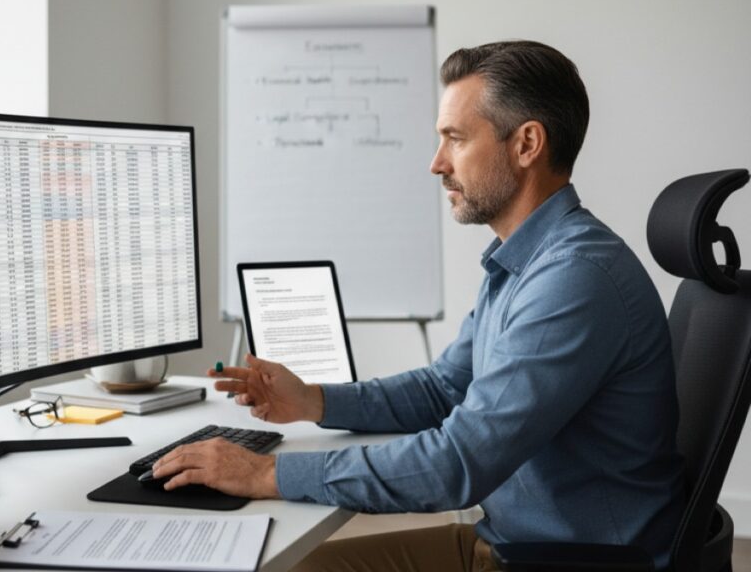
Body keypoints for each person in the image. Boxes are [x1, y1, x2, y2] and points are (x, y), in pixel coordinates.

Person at [151, 40, 686, 571]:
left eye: (455, 139)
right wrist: (313, 400)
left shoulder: (574, 280)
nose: (436, 164)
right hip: (508, 544)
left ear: (526, 144)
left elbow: (456, 464)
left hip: (558, 563)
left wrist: (263, 475)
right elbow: (445, 388)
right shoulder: (525, 261)